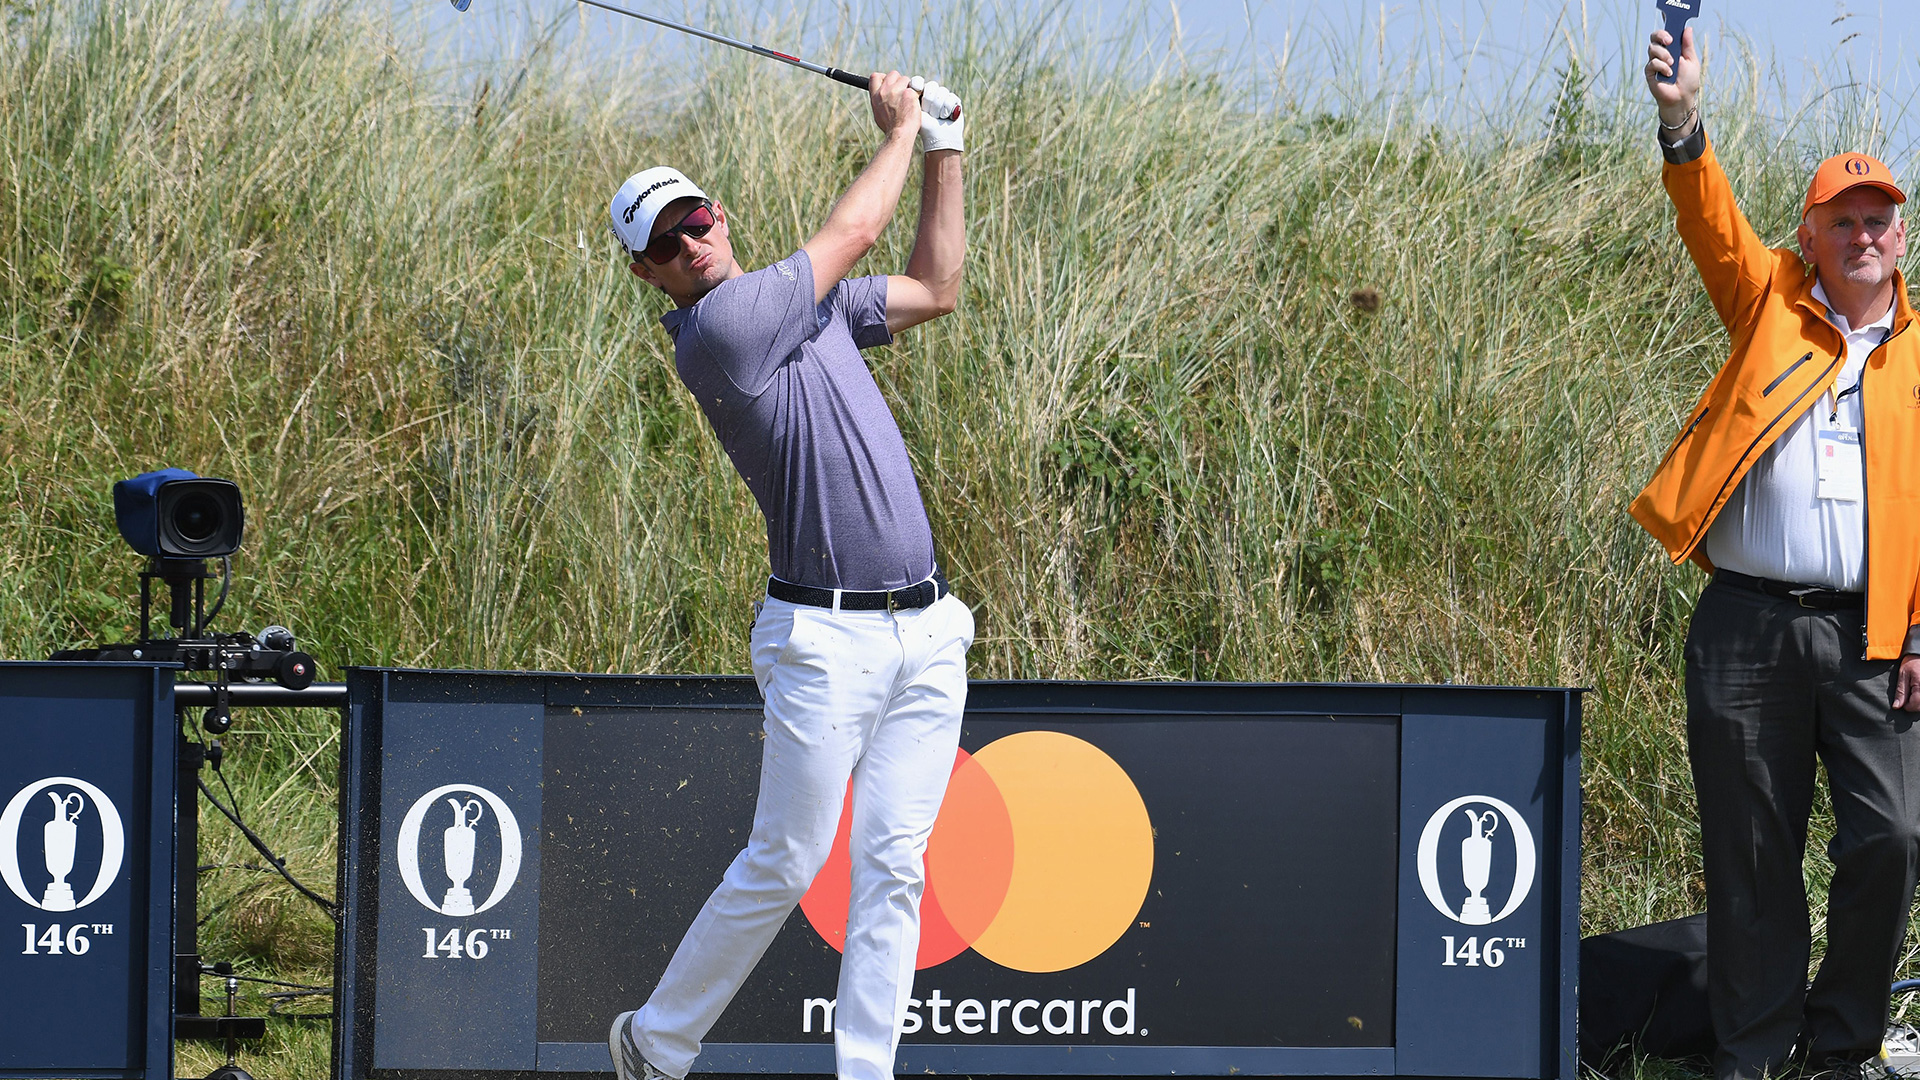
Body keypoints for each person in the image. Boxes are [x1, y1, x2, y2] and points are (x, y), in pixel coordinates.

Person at [602, 71, 972, 1080]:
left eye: (696, 220)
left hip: (927, 631)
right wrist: (900, 127)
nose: (690, 243)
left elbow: (935, 286)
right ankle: (657, 1041)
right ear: (650, 277)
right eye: (666, 244)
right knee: (788, 860)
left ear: (719, 215)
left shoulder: (806, 312)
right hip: (826, 640)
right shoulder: (723, 330)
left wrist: (946, 146)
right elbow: (852, 231)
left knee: (894, 869)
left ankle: (864, 1073)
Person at [1635, 23, 1920, 1080]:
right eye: (1840, 219)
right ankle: (1755, 1054)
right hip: (1749, 622)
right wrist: (1682, 118)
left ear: (1902, 237)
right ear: (1808, 235)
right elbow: (1709, 221)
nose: (1860, 234)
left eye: (1877, 219)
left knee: (1892, 838)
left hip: (1878, 634)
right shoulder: (1769, 307)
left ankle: (1839, 1050)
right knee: (1753, 855)